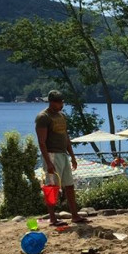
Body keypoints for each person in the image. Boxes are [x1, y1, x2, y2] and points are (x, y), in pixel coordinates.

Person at [35, 90, 90, 226]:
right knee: (52, 187)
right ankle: (53, 218)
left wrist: (72, 156)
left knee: (69, 186)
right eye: (59, 102)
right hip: (52, 154)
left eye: (62, 102)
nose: (61, 104)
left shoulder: (61, 116)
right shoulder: (43, 117)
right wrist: (48, 162)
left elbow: (66, 137)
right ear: (52, 102)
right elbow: (42, 141)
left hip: (63, 155)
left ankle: (75, 215)